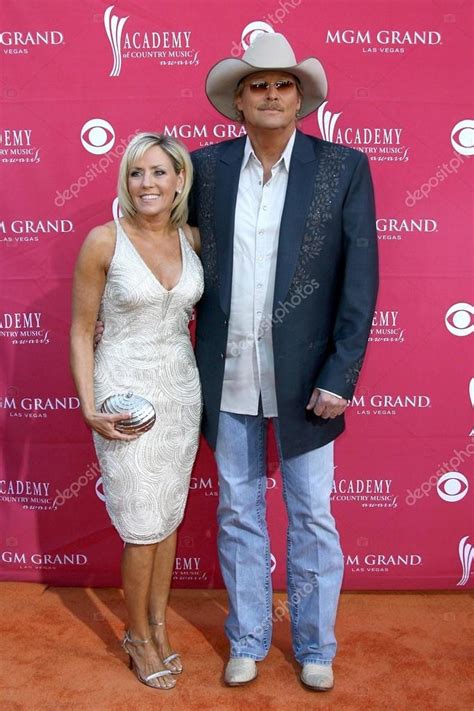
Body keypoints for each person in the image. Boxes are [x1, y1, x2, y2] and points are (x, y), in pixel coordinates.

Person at [188, 32, 378, 691]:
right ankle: (246, 637)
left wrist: (341, 372)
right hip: (226, 371)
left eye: (283, 84)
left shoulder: (342, 167)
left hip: (308, 380)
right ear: (238, 101)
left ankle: (316, 644)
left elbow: (360, 280)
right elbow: (168, 251)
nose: (271, 94)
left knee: (312, 513)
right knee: (237, 509)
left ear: (301, 99)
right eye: (258, 85)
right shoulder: (203, 168)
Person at [70, 132, 203, 690]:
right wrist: (87, 407)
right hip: (124, 394)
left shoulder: (193, 238)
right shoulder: (104, 241)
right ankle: (136, 636)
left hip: (181, 393)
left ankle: (156, 623)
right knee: (141, 527)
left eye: (157, 173)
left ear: (178, 182)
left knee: (167, 520)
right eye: (135, 173)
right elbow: (80, 330)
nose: (146, 184)